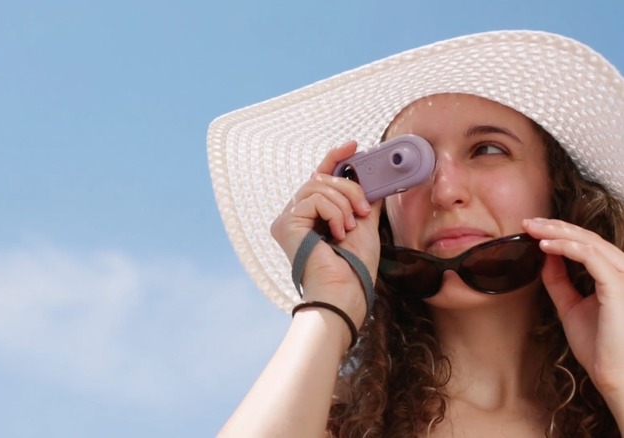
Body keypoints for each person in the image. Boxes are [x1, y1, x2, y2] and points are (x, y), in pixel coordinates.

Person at [206, 31, 624, 437]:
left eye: (488, 150)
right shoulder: (332, 424)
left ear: (561, 187)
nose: (445, 192)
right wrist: (330, 303)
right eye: (409, 164)